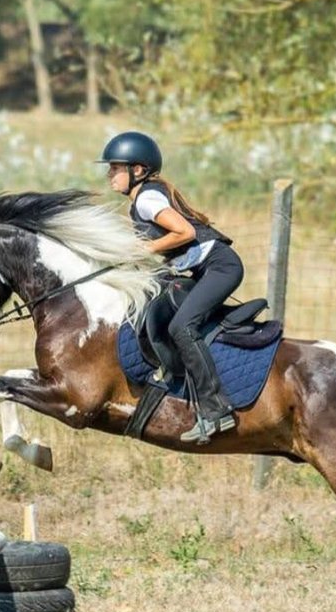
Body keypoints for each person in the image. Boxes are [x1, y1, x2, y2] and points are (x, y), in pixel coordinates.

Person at [97, 131, 244, 445]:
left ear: (137, 170)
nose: (109, 174)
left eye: (115, 167)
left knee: (182, 327)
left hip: (221, 267)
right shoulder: (140, 202)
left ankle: (217, 410)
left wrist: (145, 250)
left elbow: (185, 232)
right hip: (204, 270)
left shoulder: (148, 198)